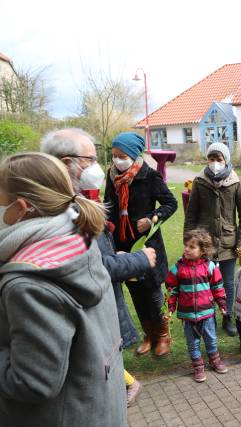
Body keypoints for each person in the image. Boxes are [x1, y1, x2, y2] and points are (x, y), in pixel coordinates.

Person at [0, 152, 126, 426]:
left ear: (20, 208)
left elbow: (32, 382)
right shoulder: (78, 239)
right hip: (98, 409)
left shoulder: (30, 284)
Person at [41, 128, 152, 405]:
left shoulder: (73, 203)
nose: (100, 166)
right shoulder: (64, 212)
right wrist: (138, 259)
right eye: (90, 159)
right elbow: (94, 268)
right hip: (86, 317)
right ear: (67, 163)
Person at [104, 132, 178, 357]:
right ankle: (149, 335)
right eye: (114, 155)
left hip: (148, 246)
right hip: (123, 246)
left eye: (122, 156)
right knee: (135, 293)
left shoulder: (150, 176)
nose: (117, 160)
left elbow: (170, 203)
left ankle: (163, 335)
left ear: (134, 155)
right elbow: (108, 204)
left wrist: (152, 218)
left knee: (153, 294)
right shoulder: (111, 177)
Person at [184, 142, 241, 337]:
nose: (215, 163)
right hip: (205, 243)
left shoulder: (235, 182)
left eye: (218, 159)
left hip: (229, 243)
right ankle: (207, 317)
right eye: (211, 159)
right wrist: (189, 241)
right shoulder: (200, 181)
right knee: (204, 282)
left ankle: (227, 316)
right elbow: (191, 214)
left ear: (226, 160)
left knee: (228, 283)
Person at [165, 229, 228, 382]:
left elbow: (217, 287)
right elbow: (171, 291)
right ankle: (198, 366)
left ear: (202, 251)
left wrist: (222, 304)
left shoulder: (210, 266)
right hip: (187, 316)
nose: (186, 249)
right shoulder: (177, 268)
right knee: (192, 343)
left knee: (211, 339)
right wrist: (170, 308)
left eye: (191, 247)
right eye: (186, 245)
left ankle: (215, 360)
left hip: (206, 313)